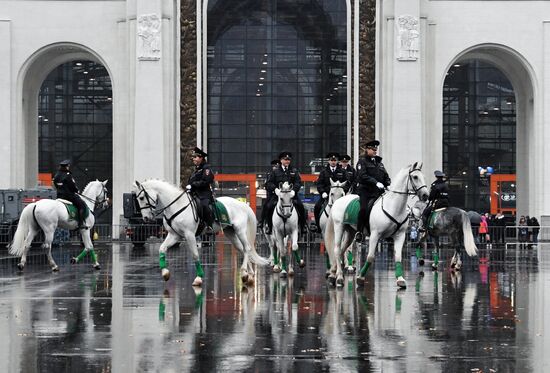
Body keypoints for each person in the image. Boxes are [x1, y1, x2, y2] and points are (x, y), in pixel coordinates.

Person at [355, 140, 391, 242]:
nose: (375, 151)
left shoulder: (379, 163)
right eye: (373, 149)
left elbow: (385, 176)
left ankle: (388, 232)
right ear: (367, 149)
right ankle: (359, 231)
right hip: (366, 191)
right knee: (363, 209)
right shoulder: (362, 162)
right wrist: (375, 182)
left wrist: (388, 184)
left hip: (378, 192)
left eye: (376, 149)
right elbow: (362, 176)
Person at [264, 151, 308, 235]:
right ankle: (269, 226)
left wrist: (294, 190)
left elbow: (298, 182)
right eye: (285, 159)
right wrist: (275, 189)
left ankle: (303, 226)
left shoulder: (294, 171)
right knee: (269, 206)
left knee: (301, 206)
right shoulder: (275, 172)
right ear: (281, 160)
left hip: (291, 195)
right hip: (278, 196)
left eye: (288, 159)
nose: (287, 161)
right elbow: (269, 183)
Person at [313, 152, 348, 233]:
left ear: (337, 161)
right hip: (326, 196)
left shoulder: (342, 171)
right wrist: (322, 192)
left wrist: (344, 191)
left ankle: (349, 227)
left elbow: (347, 183)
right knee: (317, 207)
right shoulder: (324, 172)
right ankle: (318, 226)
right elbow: (319, 184)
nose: (333, 162)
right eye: (331, 160)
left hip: (340, 197)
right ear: (328, 161)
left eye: (335, 160)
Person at [53, 159, 88, 229]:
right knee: (82, 205)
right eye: (68, 166)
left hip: (59, 196)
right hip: (68, 196)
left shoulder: (56, 175)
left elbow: (56, 185)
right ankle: (81, 223)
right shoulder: (68, 175)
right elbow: (72, 186)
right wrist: (77, 190)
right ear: (66, 167)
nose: (68, 168)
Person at [187, 147, 215, 230]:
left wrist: (194, 185)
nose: (193, 159)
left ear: (201, 157)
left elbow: (207, 181)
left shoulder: (206, 168)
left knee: (204, 205)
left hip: (204, 194)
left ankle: (209, 225)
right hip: (194, 194)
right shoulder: (196, 170)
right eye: (193, 157)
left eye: (195, 157)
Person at [259, 159, 280, 229]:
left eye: (277, 166)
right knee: (266, 206)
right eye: (274, 166)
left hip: (283, 195)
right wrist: (273, 189)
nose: (275, 168)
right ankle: (262, 222)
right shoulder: (269, 175)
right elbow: (267, 185)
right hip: (272, 195)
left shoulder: (282, 173)